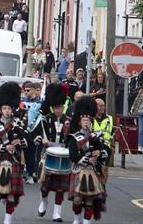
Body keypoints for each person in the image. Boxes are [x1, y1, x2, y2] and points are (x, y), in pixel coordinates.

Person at [0, 82, 28, 224]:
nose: (7, 111)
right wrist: (4, 147)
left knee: (10, 194)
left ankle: (7, 220)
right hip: (0, 160)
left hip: (13, 161)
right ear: (0, 109)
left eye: (9, 108)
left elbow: (25, 143)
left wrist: (18, 144)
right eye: (5, 108)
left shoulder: (17, 125)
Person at [32, 83, 71, 222]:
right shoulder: (46, 119)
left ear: (62, 106)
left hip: (63, 157)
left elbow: (72, 138)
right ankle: (44, 202)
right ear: (52, 107)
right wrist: (41, 140)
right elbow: (35, 135)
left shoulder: (69, 121)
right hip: (47, 154)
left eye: (59, 107)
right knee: (45, 185)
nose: (58, 110)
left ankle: (57, 213)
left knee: (60, 187)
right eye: (55, 108)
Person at [67, 96, 108, 224]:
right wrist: (86, 159)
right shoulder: (74, 137)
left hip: (92, 171)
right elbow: (73, 155)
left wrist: (99, 152)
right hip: (79, 170)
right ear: (80, 122)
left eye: (88, 120)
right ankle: (76, 219)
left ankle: (86, 222)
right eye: (84, 120)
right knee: (77, 199)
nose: (86, 122)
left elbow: (105, 153)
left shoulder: (95, 137)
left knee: (90, 200)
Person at [92, 99, 113, 184]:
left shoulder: (109, 118)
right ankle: (95, 186)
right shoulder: (90, 118)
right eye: (100, 105)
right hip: (94, 146)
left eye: (103, 105)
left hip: (106, 146)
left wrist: (113, 147)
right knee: (95, 167)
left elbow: (111, 134)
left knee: (105, 168)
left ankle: (103, 187)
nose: (102, 107)